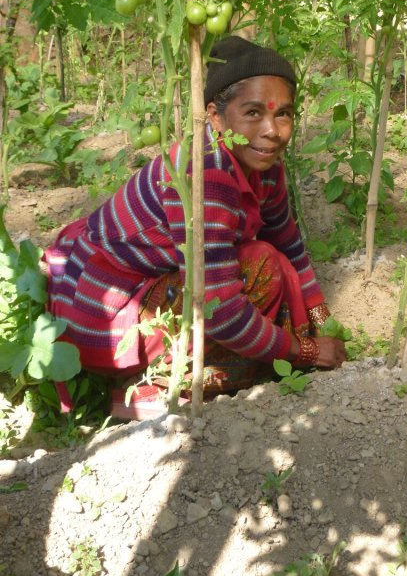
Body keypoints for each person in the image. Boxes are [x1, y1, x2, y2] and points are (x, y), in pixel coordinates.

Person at [45, 36, 346, 411]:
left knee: (276, 261)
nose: (272, 130)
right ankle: (152, 391)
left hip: (151, 288)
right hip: (103, 320)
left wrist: (320, 317)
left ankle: (264, 358)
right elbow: (218, 308)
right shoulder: (206, 173)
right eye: (253, 113)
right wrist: (307, 349)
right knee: (262, 267)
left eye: (283, 113)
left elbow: (288, 242)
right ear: (216, 117)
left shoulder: (262, 162)